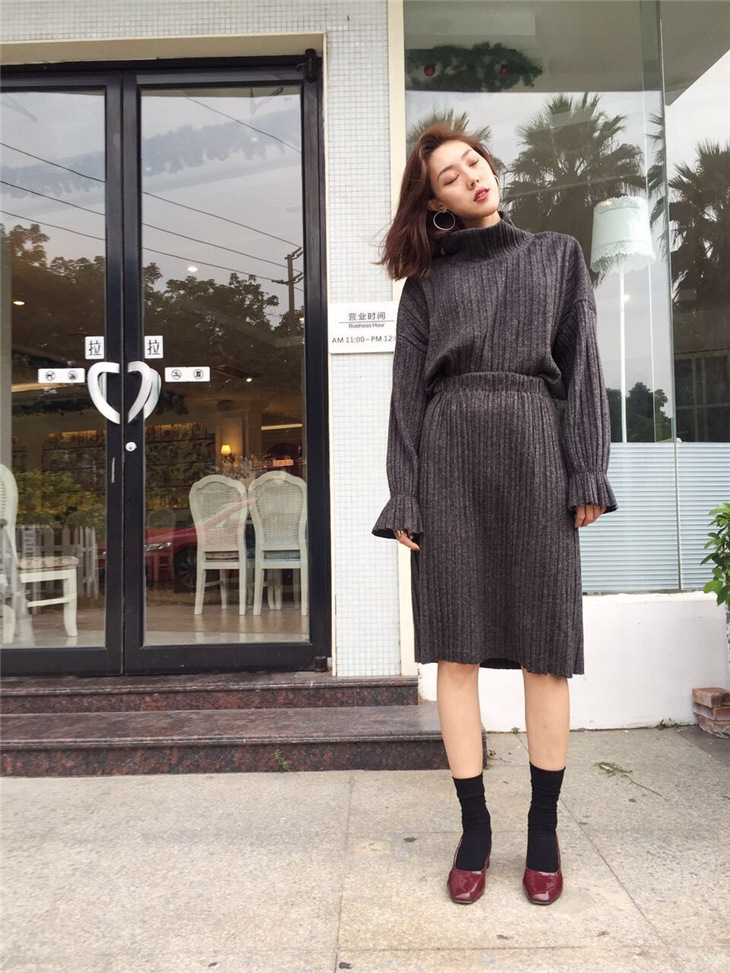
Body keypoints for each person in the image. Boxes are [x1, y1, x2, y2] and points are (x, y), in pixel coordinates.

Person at [371, 125, 618, 907]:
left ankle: (543, 829)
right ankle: (474, 828)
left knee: (547, 650)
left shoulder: (557, 256)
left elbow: (583, 369)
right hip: (449, 462)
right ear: (435, 203)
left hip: (534, 453)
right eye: (450, 175)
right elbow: (406, 395)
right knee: (457, 652)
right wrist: (405, 491)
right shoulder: (427, 285)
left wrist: (587, 467)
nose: (471, 176)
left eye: (472, 161)